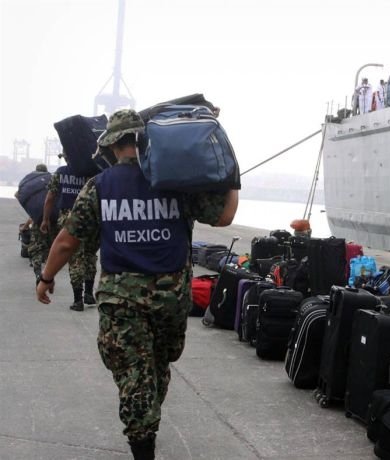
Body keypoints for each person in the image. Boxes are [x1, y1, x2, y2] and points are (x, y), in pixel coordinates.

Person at [36, 109, 239, 459]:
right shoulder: (175, 181)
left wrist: (46, 277)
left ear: (113, 145)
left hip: (121, 300)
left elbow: (68, 241)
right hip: (171, 298)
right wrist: (233, 180)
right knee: (157, 366)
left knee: (134, 372)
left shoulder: (99, 186)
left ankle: (142, 437)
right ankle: (146, 429)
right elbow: (224, 216)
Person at [41, 154, 96, 311]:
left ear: (65, 156)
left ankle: (78, 300)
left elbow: (50, 197)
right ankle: (89, 294)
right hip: (91, 218)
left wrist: (45, 219)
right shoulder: (90, 172)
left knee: (75, 260)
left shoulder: (61, 172)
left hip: (68, 218)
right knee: (90, 255)